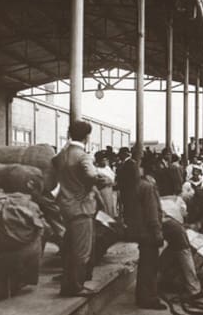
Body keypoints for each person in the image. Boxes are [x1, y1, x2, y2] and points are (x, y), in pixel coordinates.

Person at [52, 120, 108, 297]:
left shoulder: (61, 155)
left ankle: (67, 284)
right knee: (82, 251)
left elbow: (54, 167)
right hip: (81, 208)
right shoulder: (83, 156)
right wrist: (104, 179)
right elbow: (91, 175)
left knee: (68, 248)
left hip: (65, 207)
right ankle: (76, 287)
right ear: (86, 136)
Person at [129, 166, 167, 310]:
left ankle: (142, 296)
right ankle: (149, 298)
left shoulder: (137, 186)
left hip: (141, 233)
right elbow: (152, 214)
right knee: (150, 267)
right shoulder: (149, 188)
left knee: (145, 265)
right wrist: (158, 233)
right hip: (149, 233)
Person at [116, 147, 136, 225]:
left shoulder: (130, 164)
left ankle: (128, 224)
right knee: (126, 208)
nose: (119, 156)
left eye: (120, 154)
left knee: (128, 208)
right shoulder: (126, 163)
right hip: (126, 190)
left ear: (124, 154)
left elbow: (129, 179)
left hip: (128, 191)